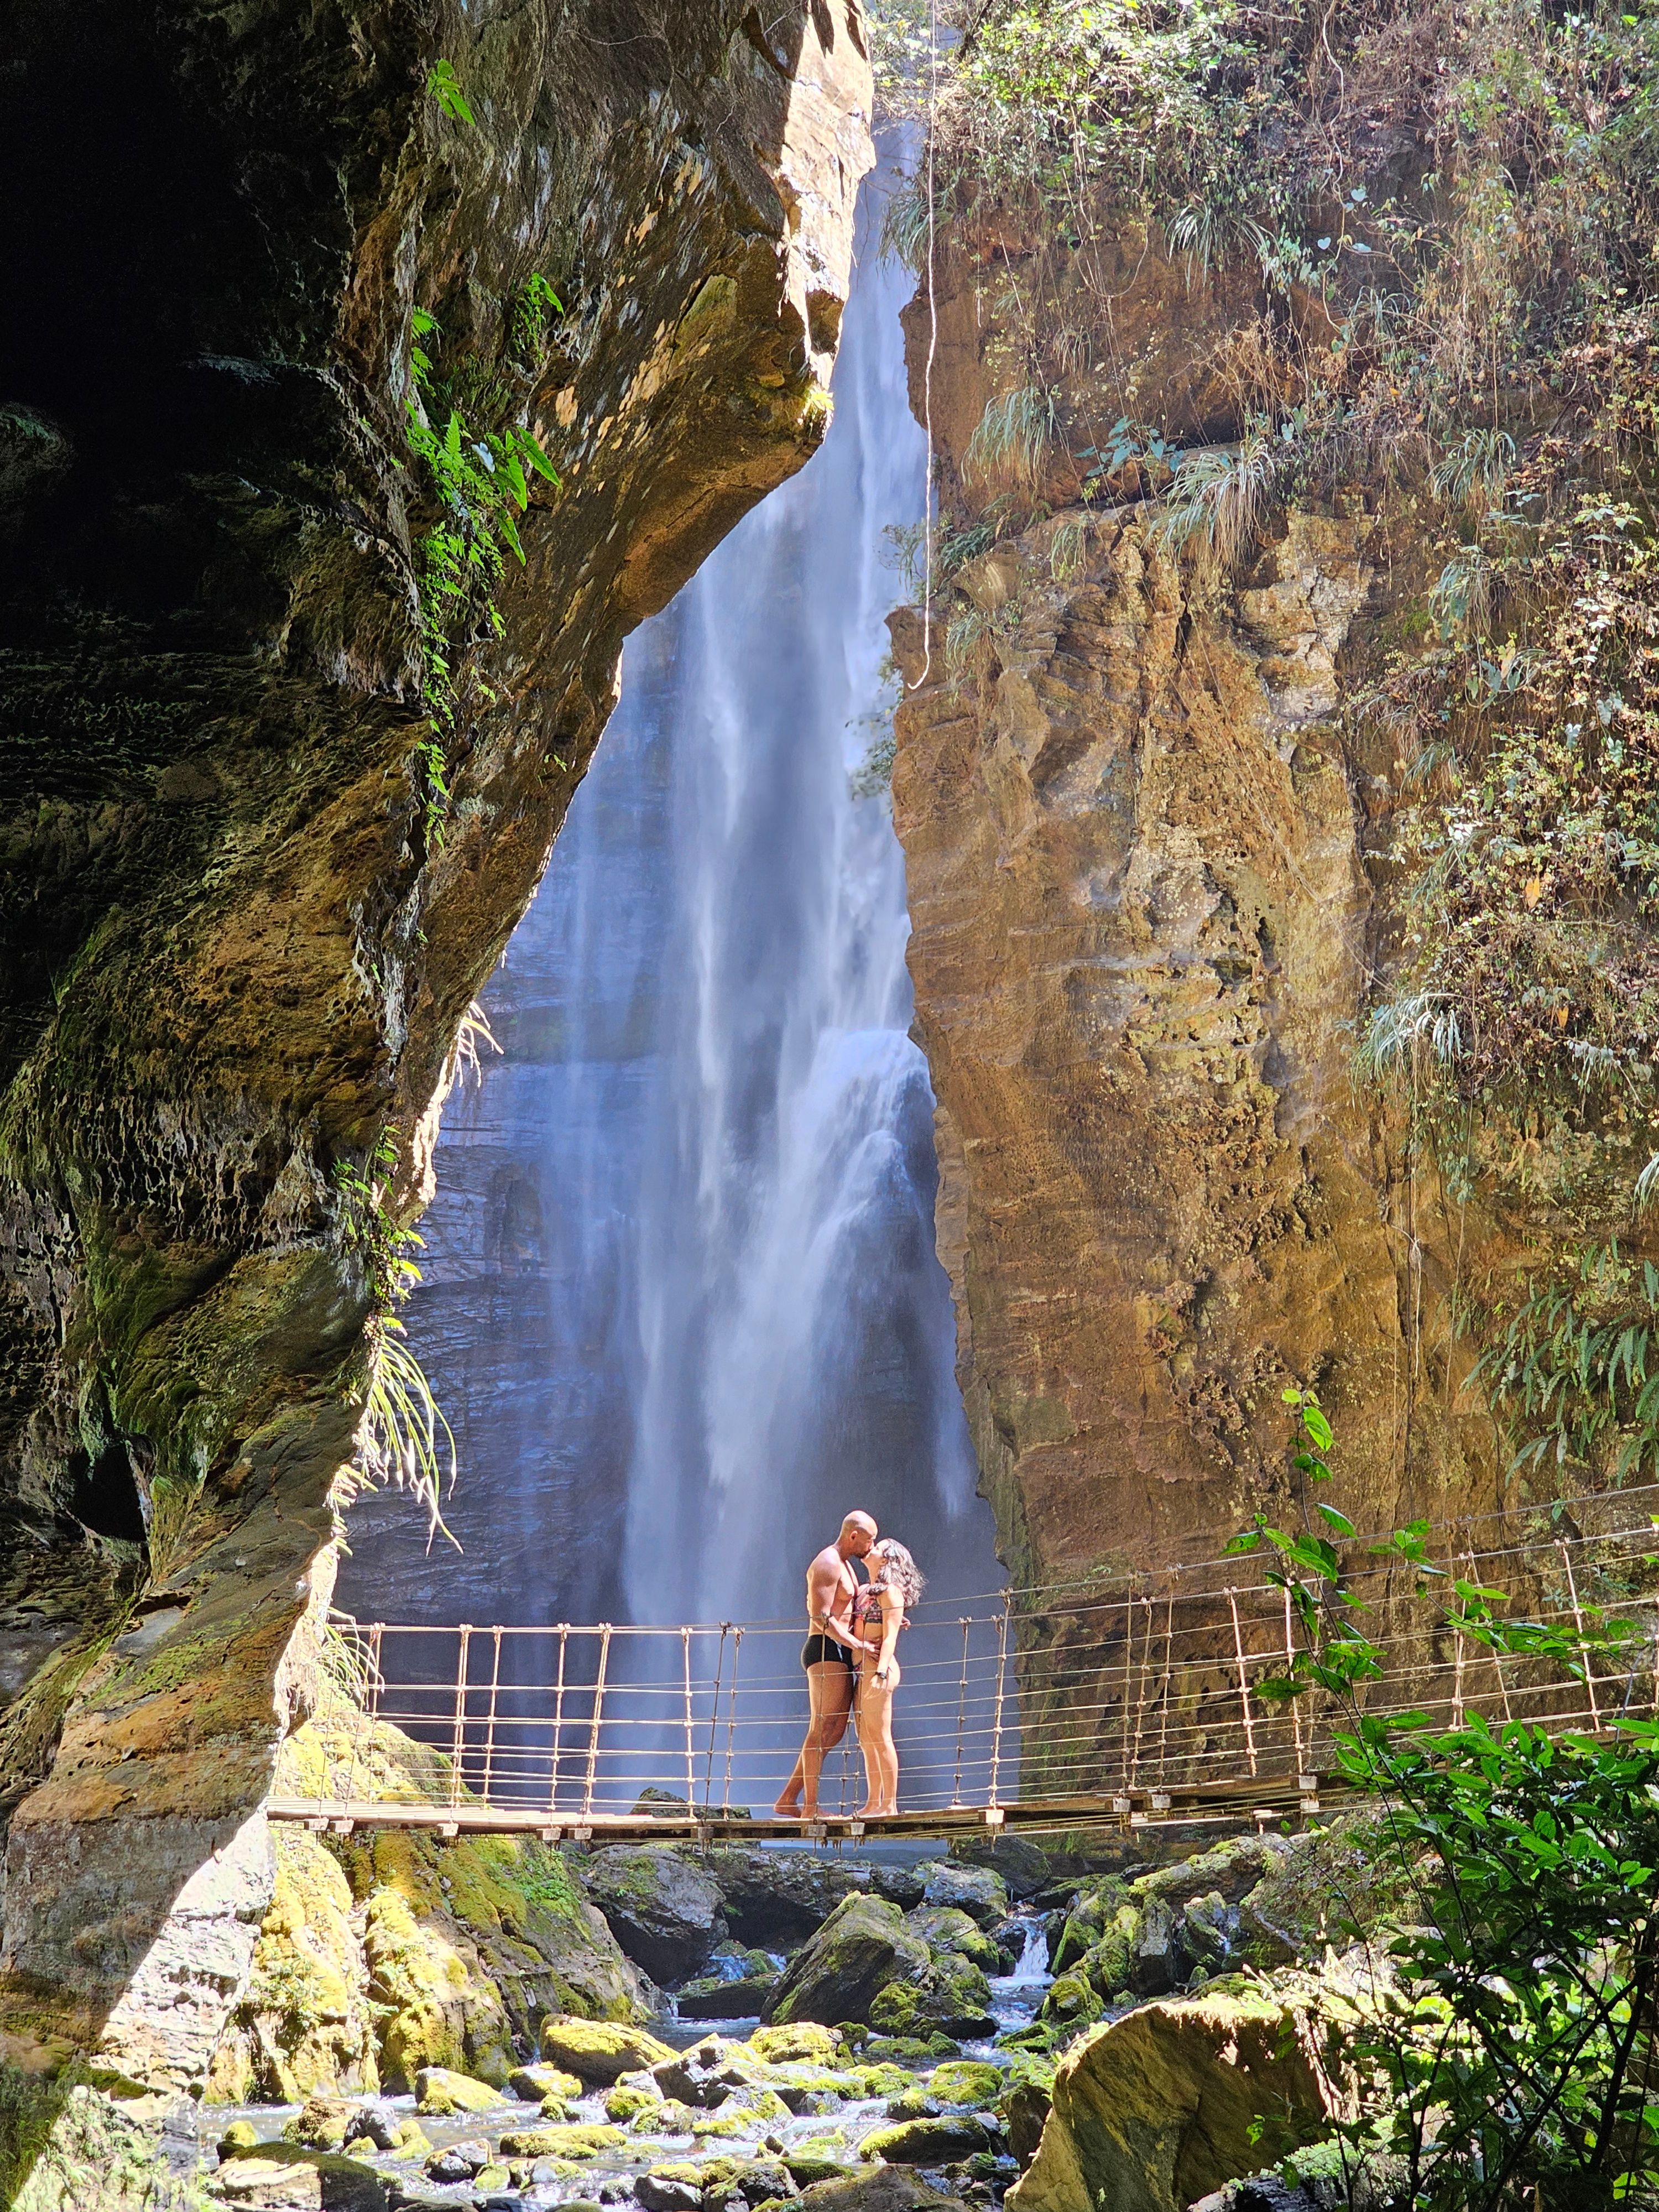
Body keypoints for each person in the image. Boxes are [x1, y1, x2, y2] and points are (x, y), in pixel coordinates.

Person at [774, 1510, 878, 1819]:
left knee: (834, 1730)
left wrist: (887, 1619)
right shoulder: (828, 1563)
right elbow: (821, 1617)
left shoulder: (846, 1566)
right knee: (822, 1728)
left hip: (840, 1649)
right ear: (853, 1535)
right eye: (869, 1540)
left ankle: (788, 1798)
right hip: (825, 1649)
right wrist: (856, 1644)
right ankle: (809, 1808)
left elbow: (853, 1610)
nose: (872, 1547)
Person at [852, 1538, 925, 1817]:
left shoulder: (890, 1593)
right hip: (861, 1669)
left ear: (886, 1560)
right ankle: (873, 1802)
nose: (871, 1549)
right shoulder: (863, 1591)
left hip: (878, 1669)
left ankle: (890, 1804)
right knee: (866, 1739)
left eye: (879, 1548)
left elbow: (891, 1636)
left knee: (881, 1737)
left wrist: (881, 1671)